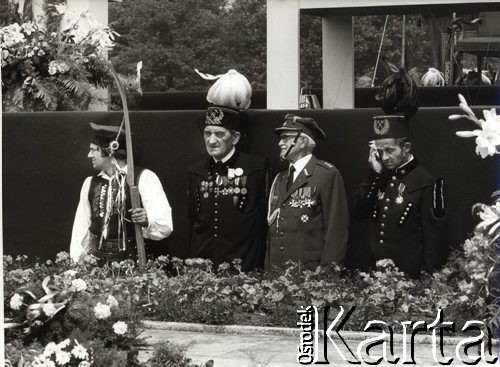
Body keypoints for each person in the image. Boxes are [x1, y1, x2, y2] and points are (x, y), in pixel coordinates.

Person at [188, 70, 269, 272]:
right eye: (207, 133)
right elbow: (193, 220)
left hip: (243, 266)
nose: (211, 140)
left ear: (235, 137)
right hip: (204, 267)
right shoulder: (196, 171)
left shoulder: (256, 169)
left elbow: (262, 221)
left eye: (219, 134)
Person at [352, 117, 448, 277]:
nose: (384, 158)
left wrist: (429, 278)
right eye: (380, 152)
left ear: (406, 148)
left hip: (408, 276)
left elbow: (433, 239)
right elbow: (357, 211)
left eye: (390, 150)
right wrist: (373, 175)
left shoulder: (426, 182)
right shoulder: (379, 176)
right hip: (374, 273)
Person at [70, 123, 173, 263]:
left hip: (131, 265)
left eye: (94, 150)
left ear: (110, 151)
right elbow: (81, 226)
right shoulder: (90, 183)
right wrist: (77, 262)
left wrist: (147, 221)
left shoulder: (143, 178)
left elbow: (165, 225)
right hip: (96, 264)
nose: (89, 155)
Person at [267, 114, 349, 270]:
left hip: (309, 273)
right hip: (277, 274)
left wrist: (328, 276)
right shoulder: (280, 178)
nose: (280, 143)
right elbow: (273, 232)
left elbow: (336, 230)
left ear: (303, 141)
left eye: (285, 138)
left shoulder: (326, 174)